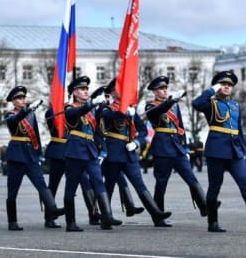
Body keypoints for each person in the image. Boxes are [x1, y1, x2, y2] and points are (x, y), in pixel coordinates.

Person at [192, 71, 246, 232]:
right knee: (214, 187)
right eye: (223, 84)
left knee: (245, 182)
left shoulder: (236, 105)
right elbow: (196, 103)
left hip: (235, 152)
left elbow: (239, 130)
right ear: (217, 86)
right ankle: (213, 223)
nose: (227, 87)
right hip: (216, 151)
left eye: (229, 85)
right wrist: (211, 90)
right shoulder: (211, 103)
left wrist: (243, 149)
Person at [100, 78, 171, 224]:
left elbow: (143, 130)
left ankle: (156, 213)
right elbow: (109, 117)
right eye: (119, 89)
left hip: (129, 152)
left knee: (139, 184)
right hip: (113, 153)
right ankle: (106, 217)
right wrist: (125, 112)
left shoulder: (130, 109)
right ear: (113, 93)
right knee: (110, 185)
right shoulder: (108, 108)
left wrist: (137, 143)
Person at [145, 75, 209, 227]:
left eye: (165, 88)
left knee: (191, 178)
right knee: (161, 184)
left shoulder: (175, 106)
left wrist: (185, 147)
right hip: (162, 148)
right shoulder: (150, 106)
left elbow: (180, 128)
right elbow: (159, 110)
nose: (164, 91)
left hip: (177, 148)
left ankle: (204, 206)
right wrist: (171, 101)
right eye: (161, 89)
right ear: (154, 91)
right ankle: (158, 216)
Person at [63, 76, 121, 231]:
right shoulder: (69, 108)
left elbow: (97, 131)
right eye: (82, 89)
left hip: (90, 150)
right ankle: (70, 222)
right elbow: (77, 112)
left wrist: (102, 149)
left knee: (98, 181)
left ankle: (106, 217)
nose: (86, 91)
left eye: (87, 89)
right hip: (75, 151)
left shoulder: (92, 110)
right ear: (74, 92)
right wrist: (91, 104)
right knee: (71, 188)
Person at [4, 85, 64, 230]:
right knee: (13, 191)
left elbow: (35, 134)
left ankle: (52, 210)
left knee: (41, 185)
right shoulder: (10, 115)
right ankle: (12, 221)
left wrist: (38, 153)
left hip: (30, 155)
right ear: (13, 101)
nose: (22, 100)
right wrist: (27, 109)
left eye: (24, 97)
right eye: (19, 98)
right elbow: (16, 119)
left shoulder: (31, 115)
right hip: (17, 156)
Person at [44, 106, 101, 228]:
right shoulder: (53, 111)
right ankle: (49, 217)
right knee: (53, 185)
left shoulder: (75, 111)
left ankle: (94, 214)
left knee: (86, 183)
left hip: (75, 151)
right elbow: (52, 121)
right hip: (58, 151)